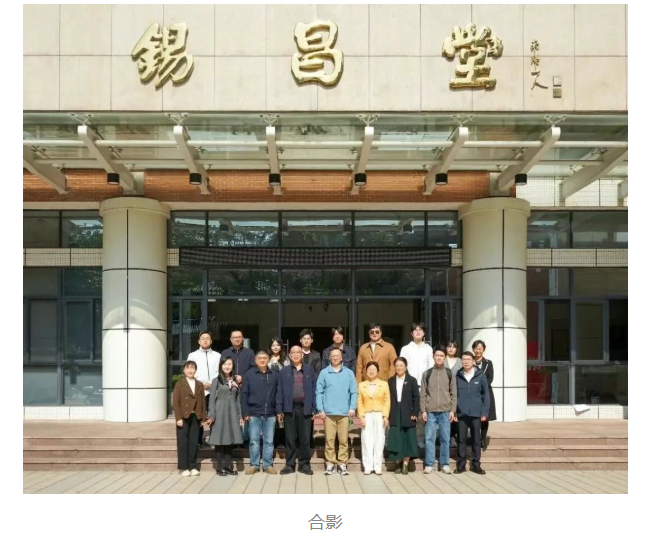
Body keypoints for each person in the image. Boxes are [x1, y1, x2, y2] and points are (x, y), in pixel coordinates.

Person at [316, 347, 357, 476]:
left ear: (341, 358)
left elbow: (354, 391)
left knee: (344, 440)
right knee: (329, 440)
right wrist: (320, 409)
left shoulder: (349, 373)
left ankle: (342, 463)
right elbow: (319, 392)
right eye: (332, 356)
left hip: (344, 412)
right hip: (329, 413)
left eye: (337, 356)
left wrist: (352, 407)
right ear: (329, 358)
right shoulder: (324, 373)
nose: (335, 358)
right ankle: (330, 463)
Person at [276, 346, 317, 475]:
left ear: (302, 354)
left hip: (305, 408)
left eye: (298, 352)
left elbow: (314, 389)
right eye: (293, 352)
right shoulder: (284, 371)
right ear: (289, 355)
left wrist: (314, 408)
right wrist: (279, 410)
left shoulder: (309, 370)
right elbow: (279, 390)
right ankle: (290, 464)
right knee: (290, 438)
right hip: (289, 408)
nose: (296, 355)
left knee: (305, 438)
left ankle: (305, 464)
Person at [420, 345, 457, 474]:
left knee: (445, 438)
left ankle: (445, 464)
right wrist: (423, 410)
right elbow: (423, 393)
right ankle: (429, 464)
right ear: (433, 357)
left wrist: (452, 410)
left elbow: (453, 393)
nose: (439, 358)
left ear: (445, 357)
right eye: (437, 355)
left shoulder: (449, 373)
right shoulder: (427, 373)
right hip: (430, 411)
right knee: (429, 438)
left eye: (441, 356)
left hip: (445, 411)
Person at [241, 350, 279, 475]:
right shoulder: (249, 374)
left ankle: (267, 464)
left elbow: (278, 394)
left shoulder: (274, 374)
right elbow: (244, 394)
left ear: (268, 359)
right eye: (260, 358)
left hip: (270, 413)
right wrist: (245, 413)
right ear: (255, 360)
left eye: (265, 358)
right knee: (254, 441)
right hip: (254, 413)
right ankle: (254, 464)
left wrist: (278, 411)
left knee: (269, 441)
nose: (262, 360)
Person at [399, 322, 433, 448]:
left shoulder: (428, 349)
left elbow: (431, 367)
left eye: (420, 330)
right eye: (415, 330)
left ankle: (421, 438)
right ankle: (409, 438)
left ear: (424, 333)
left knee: (422, 414)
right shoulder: (405, 349)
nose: (418, 332)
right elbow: (401, 366)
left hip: (424, 385)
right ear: (411, 333)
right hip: (409, 384)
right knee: (409, 413)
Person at [207, 357, 243, 476]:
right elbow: (211, 399)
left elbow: (238, 400)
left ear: (233, 366)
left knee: (229, 441)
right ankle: (219, 467)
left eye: (229, 364)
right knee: (219, 440)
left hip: (232, 413)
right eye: (225, 364)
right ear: (221, 366)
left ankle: (228, 466)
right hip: (219, 413)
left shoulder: (235, 381)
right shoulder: (216, 380)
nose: (227, 366)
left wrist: (240, 416)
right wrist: (211, 415)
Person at [455, 351, 489, 475]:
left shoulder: (480, 375)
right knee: (461, 439)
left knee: (476, 440)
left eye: (468, 359)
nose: (466, 362)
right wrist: (454, 412)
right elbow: (454, 395)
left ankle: (476, 464)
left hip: (476, 413)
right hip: (461, 413)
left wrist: (484, 412)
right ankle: (461, 464)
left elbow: (486, 395)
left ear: (473, 361)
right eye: (464, 359)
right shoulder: (458, 375)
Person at [172, 360, 207, 477]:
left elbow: (202, 402)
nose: (190, 370)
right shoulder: (179, 384)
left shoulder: (199, 384)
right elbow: (176, 403)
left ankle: (193, 466)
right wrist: (178, 418)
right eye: (188, 368)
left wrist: (203, 418)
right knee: (183, 442)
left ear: (195, 370)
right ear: (184, 370)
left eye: (192, 368)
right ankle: (183, 467)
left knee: (193, 442)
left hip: (195, 416)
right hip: (183, 417)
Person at [387, 357, 420, 475]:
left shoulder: (412, 380)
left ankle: (405, 464)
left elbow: (416, 398)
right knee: (396, 438)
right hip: (394, 412)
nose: (399, 368)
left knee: (408, 438)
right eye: (397, 366)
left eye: (401, 365)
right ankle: (398, 462)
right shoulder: (390, 381)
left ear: (405, 367)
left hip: (408, 413)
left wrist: (415, 413)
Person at [187, 331, 221, 447]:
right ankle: (198, 441)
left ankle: (214, 439)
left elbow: (219, 371)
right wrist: (201, 383)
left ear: (211, 341)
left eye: (207, 338)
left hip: (213, 389)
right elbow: (190, 371)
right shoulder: (192, 355)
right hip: (198, 390)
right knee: (198, 416)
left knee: (213, 415)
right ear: (199, 341)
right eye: (203, 338)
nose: (205, 340)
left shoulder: (217, 355)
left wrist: (211, 383)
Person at [357, 362, 390, 475]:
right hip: (367, 414)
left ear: (377, 371)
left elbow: (387, 401)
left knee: (379, 440)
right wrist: (361, 416)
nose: (371, 371)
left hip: (379, 414)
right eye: (369, 369)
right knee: (366, 439)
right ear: (366, 371)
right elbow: (360, 402)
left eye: (374, 369)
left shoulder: (384, 384)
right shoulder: (361, 385)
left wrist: (385, 416)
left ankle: (377, 466)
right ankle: (368, 466)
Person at [472, 339, 496, 450]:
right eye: (476, 348)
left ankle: (483, 439)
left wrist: (481, 387)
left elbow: (490, 378)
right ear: (473, 349)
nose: (478, 351)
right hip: (473, 394)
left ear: (483, 350)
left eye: (480, 348)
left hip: (485, 393)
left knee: (485, 417)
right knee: (474, 417)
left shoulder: (488, 363)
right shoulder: (470, 361)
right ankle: (476, 438)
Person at [268, 337, 287, 449]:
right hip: (269, 390)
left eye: (277, 345)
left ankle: (281, 440)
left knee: (281, 416)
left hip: (282, 389)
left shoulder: (286, 360)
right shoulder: (267, 359)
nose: (275, 347)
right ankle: (272, 440)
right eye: (273, 345)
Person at [445, 340, 462, 448]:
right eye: (449, 346)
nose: (451, 348)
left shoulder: (460, 361)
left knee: (455, 414)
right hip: (444, 392)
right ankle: (446, 436)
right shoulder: (442, 359)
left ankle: (453, 436)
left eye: (453, 347)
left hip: (457, 391)